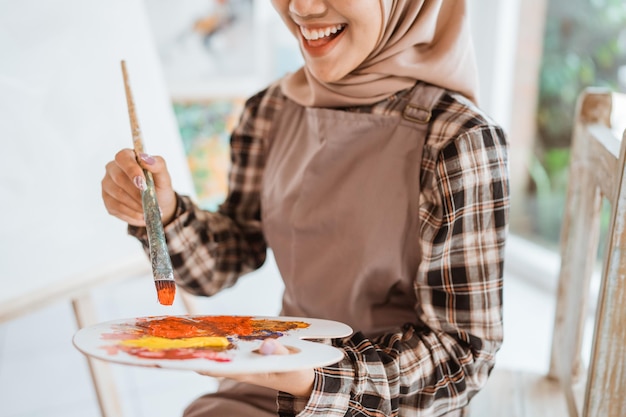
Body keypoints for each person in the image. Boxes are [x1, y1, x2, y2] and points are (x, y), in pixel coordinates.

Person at [101, 0, 510, 415]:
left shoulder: (460, 141)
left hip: (395, 399)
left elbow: (463, 357)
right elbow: (226, 261)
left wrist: (320, 379)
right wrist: (165, 214)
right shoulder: (270, 110)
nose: (301, 7)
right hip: (280, 372)